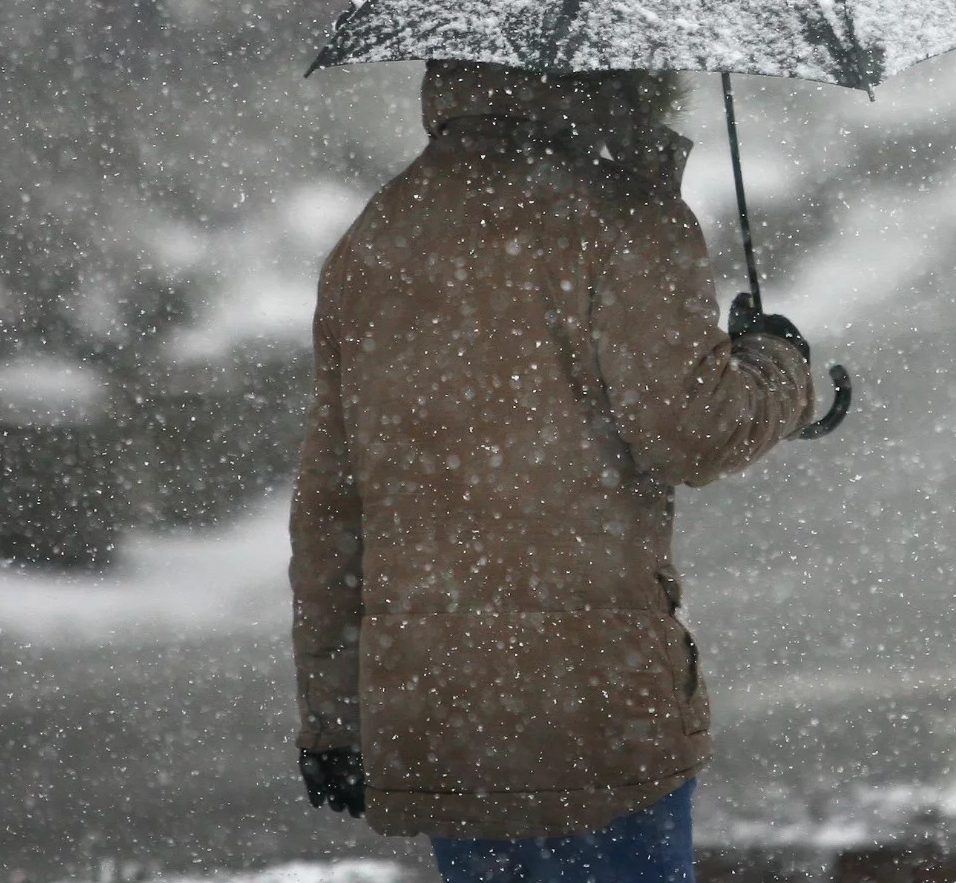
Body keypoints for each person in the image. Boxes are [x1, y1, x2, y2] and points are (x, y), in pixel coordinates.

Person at [291, 60, 816, 883]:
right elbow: (696, 429)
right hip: (596, 700)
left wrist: (331, 716)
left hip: (442, 707)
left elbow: (332, 505)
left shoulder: (381, 232)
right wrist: (780, 362)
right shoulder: (625, 217)